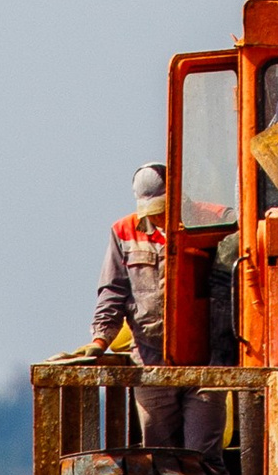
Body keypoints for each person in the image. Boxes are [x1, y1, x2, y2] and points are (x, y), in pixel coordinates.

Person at [87, 163, 220, 456]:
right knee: (159, 458)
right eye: (152, 210)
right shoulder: (123, 231)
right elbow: (113, 290)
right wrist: (101, 339)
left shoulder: (216, 221)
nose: (157, 217)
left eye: (162, 208)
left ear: (177, 197)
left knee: (203, 456)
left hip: (206, 360)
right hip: (149, 360)